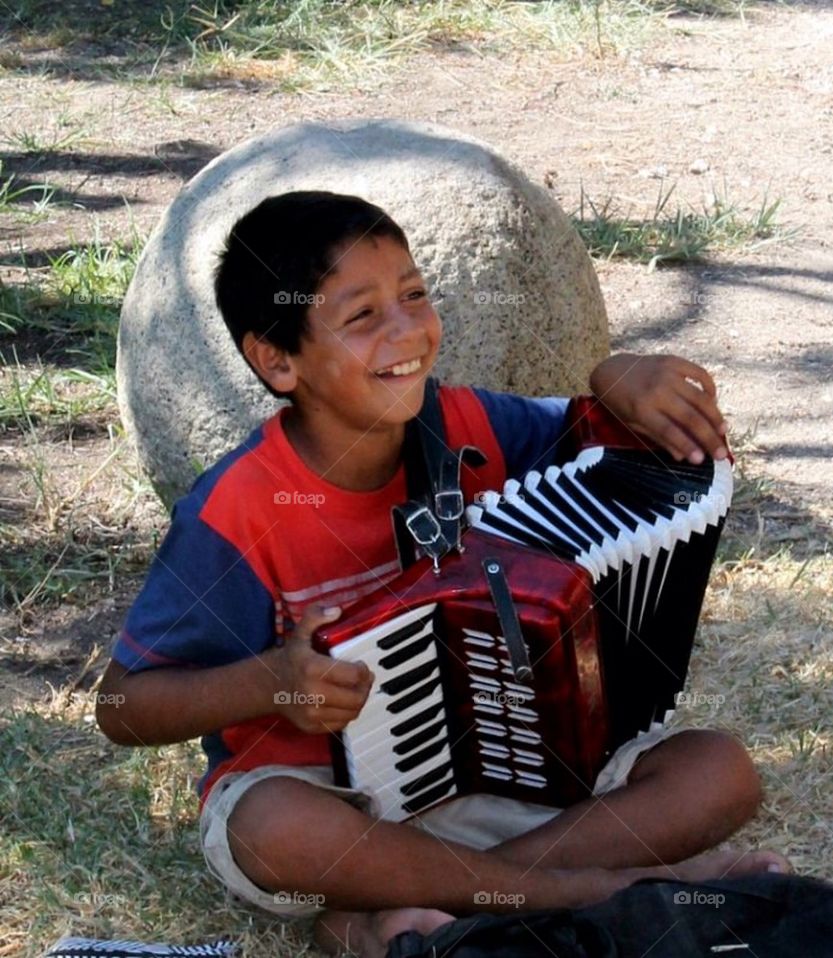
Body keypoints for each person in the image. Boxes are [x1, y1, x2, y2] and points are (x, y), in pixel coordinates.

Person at [96, 191, 788, 958]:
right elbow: (125, 708)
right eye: (362, 317)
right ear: (277, 360)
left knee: (718, 771)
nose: (408, 331)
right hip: (330, 798)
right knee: (273, 830)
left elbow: (596, 434)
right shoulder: (235, 513)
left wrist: (619, 369)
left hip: (504, 776)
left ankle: (402, 911)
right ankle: (598, 891)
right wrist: (269, 683)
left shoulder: (467, 425)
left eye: (415, 296)